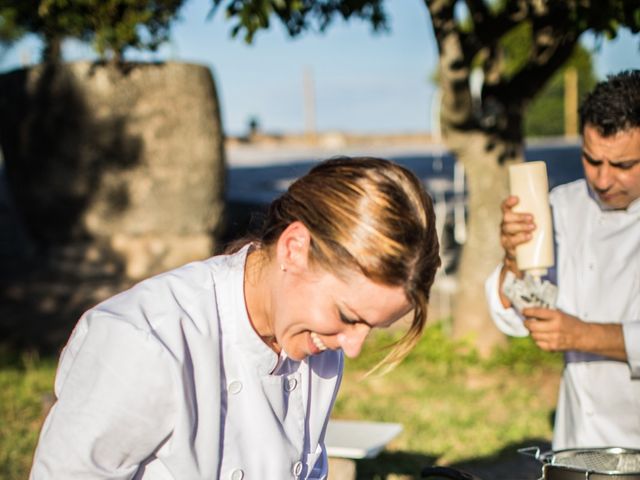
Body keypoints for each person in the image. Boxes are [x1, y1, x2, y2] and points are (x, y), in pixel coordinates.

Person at [30, 156, 441, 479]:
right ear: (294, 248)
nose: (352, 346)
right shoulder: (144, 341)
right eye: (348, 316)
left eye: (373, 326)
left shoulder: (312, 337)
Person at [485, 70, 640, 450]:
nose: (602, 180)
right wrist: (513, 258)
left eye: (622, 165)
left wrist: (582, 334)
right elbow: (512, 312)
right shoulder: (562, 205)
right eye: (591, 160)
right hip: (577, 440)